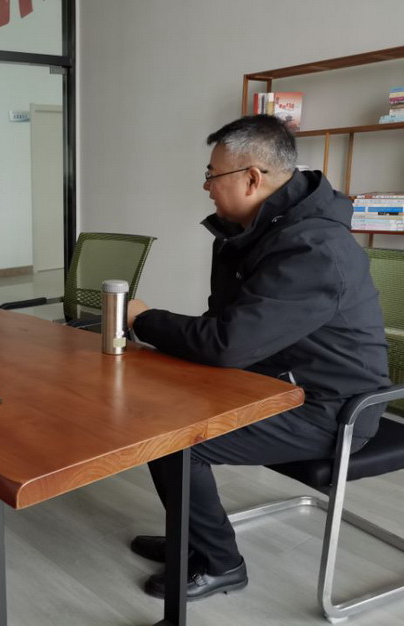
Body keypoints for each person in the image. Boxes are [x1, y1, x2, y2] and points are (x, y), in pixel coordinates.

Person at [126, 115, 389, 601]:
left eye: (212, 175)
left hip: (333, 409)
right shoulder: (258, 234)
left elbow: (228, 343)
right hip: (276, 382)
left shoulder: (313, 247)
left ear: (251, 178)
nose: (206, 186)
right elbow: (227, 328)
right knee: (158, 411)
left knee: (176, 442)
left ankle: (220, 562)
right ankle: (192, 535)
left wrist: (144, 319)